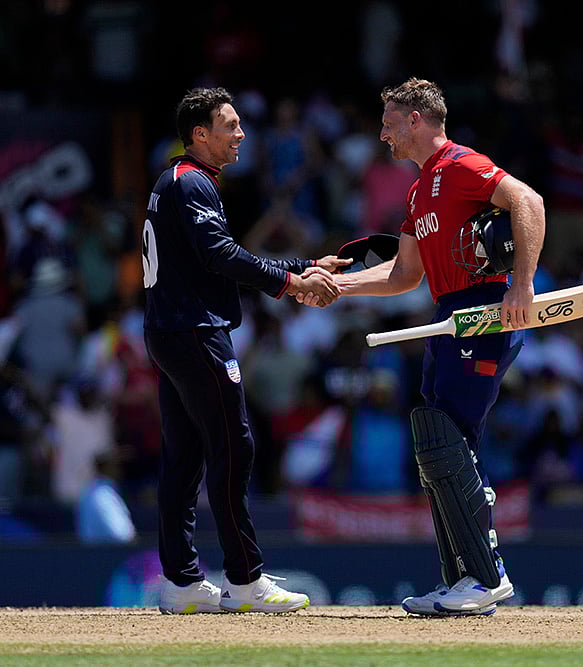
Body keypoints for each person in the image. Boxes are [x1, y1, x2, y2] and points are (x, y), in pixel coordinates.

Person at [303, 77, 544, 616]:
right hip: (447, 312)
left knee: (450, 438)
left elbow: (528, 200)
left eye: (389, 121)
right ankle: (464, 576)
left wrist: (523, 286)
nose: (383, 132)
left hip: (482, 308)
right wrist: (337, 286)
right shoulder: (418, 189)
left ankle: (486, 576)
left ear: (416, 119)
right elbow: (404, 274)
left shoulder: (461, 164)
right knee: (439, 441)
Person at [143, 87, 348, 615]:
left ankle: (182, 583)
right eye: (229, 126)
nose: (241, 135)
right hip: (193, 331)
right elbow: (220, 256)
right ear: (199, 135)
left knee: (185, 457)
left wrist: (299, 267)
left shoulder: (179, 181)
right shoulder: (190, 183)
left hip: (171, 332)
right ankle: (245, 581)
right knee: (234, 447)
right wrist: (293, 281)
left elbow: (213, 255)